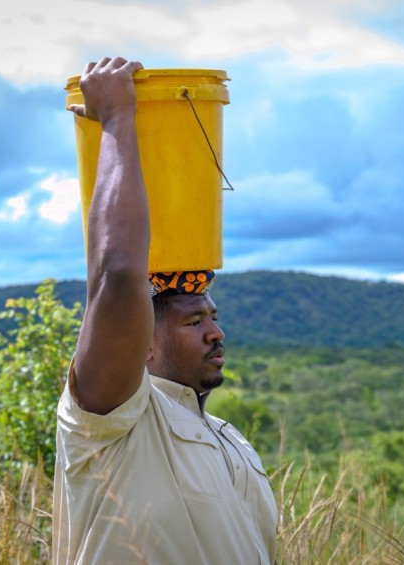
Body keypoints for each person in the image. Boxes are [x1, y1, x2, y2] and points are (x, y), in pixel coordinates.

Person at [52, 56, 278, 564]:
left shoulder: (230, 441)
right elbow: (118, 275)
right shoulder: (110, 421)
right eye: (194, 321)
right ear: (142, 343)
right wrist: (116, 119)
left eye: (213, 317)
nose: (217, 333)